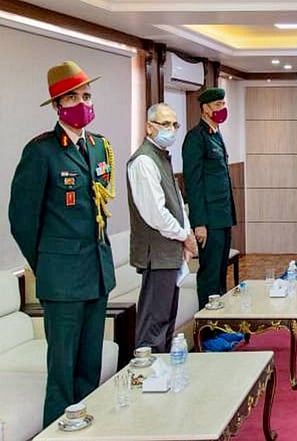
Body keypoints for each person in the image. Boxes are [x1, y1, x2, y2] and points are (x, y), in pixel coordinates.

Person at [9, 61, 117, 427]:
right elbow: (22, 221)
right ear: (57, 105)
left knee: (90, 366)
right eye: (73, 97)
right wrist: (48, 265)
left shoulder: (99, 147)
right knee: (62, 372)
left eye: (87, 95)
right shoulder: (41, 152)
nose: (82, 103)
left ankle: (85, 429)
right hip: (63, 279)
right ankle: (56, 431)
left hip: (97, 273)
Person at [127, 103, 198, 353]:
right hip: (156, 255)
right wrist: (184, 236)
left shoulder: (161, 156)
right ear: (149, 126)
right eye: (165, 124)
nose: (171, 129)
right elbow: (155, 214)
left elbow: (178, 202)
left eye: (174, 124)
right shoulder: (143, 161)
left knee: (167, 320)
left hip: (169, 253)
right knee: (154, 324)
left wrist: (186, 233)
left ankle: (165, 373)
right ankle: (149, 378)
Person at [182, 87, 236, 309]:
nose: (221, 109)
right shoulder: (196, 138)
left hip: (223, 216)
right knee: (210, 274)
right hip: (209, 220)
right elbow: (193, 185)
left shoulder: (216, 135)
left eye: (223, 105)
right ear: (204, 109)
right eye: (217, 105)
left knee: (221, 271)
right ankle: (208, 331)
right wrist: (199, 223)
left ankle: (220, 321)